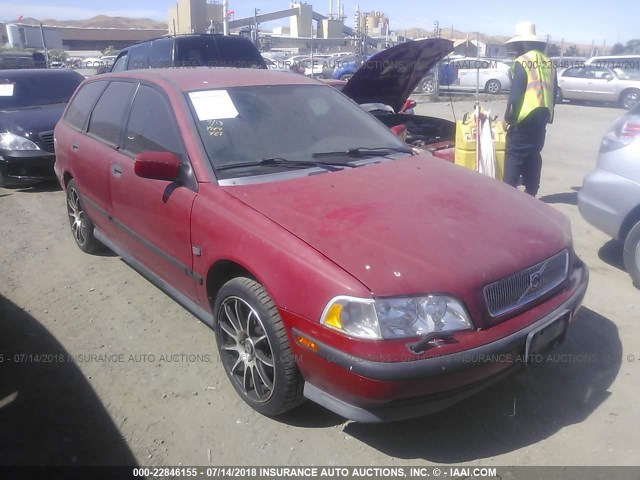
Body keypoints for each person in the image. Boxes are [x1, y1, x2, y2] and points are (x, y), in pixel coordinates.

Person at [503, 22, 557, 197]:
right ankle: (531, 192)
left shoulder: (522, 61)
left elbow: (515, 97)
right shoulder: (549, 63)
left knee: (514, 154)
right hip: (543, 115)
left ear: (522, 42)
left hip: (524, 116)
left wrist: (507, 119)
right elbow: (554, 92)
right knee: (533, 154)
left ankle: (508, 194)